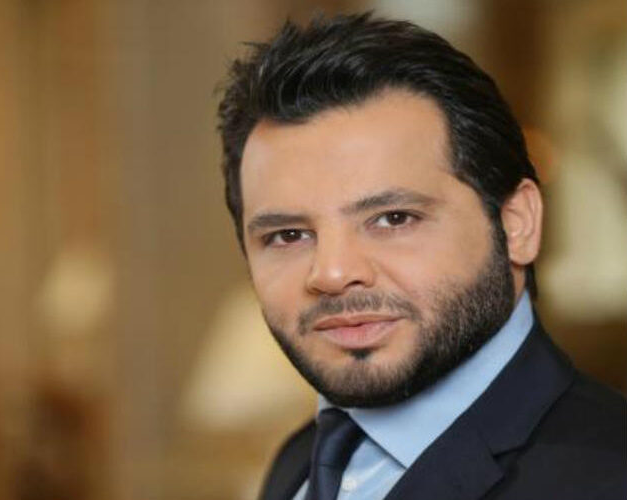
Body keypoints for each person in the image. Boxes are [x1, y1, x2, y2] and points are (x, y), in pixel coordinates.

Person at [216, 12, 626, 500]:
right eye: (288, 235)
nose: (332, 272)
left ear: (517, 224)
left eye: (393, 219)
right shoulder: (301, 460)